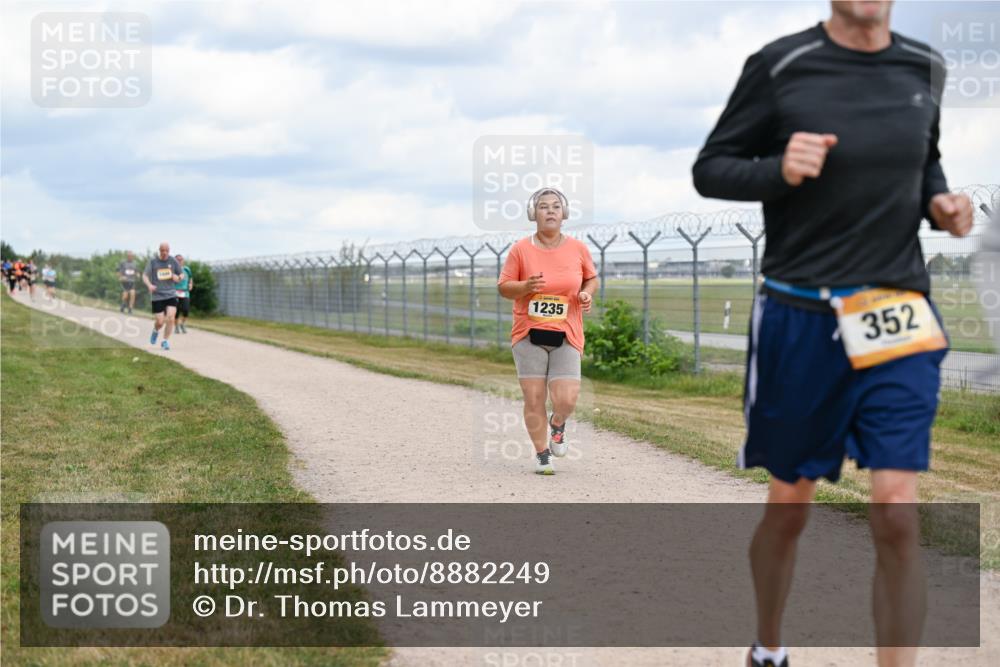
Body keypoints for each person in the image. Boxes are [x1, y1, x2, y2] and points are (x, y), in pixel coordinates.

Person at [692, 2, 974, 666]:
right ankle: (768, 644)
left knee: (897, 509)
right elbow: (712, 168)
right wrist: (777, 170)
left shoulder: (924, 66)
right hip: (802, 316)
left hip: (895, 309)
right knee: (790, 505)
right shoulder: (781, 64)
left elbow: (924, 161)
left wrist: (942, 203)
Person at [498, 187, 599, 475]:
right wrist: (525, 287)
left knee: (567, 398)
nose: (550, 210)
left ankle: (558, 425)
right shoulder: (520, 249)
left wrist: (586, 294)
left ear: (564, 214)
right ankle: (542, 453)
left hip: (567, 332)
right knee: (533, 397)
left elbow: (591, 279)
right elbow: (504, 287)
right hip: (528, 333)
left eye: (556, 206)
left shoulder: (578, 248)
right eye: (543, 206)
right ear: (534, 214)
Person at [142, 242, 183, 351]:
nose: (164, 253)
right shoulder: (153, 261)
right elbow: (145, 275)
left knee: (170, 318)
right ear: (159, 250)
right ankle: (156, 330)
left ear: (169, 250)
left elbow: (181, 274)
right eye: (162, 250)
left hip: (170, 294)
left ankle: (165, 341)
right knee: (160, 322)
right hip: (157, 296)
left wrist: (178, 278)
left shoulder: (173, 261)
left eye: (167, 251)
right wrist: (149, 285)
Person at [174, 254, 194, 333]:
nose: (179, 261)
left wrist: (191, 284)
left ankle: (182, 324)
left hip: (185, 292)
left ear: (183, 261)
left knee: (186, 310)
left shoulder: (187, 269)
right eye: (177, 259)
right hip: (175, 292)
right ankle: (176, 327)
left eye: (181, 259)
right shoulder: (172, 270)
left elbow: (191, 278)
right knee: (177, 311)